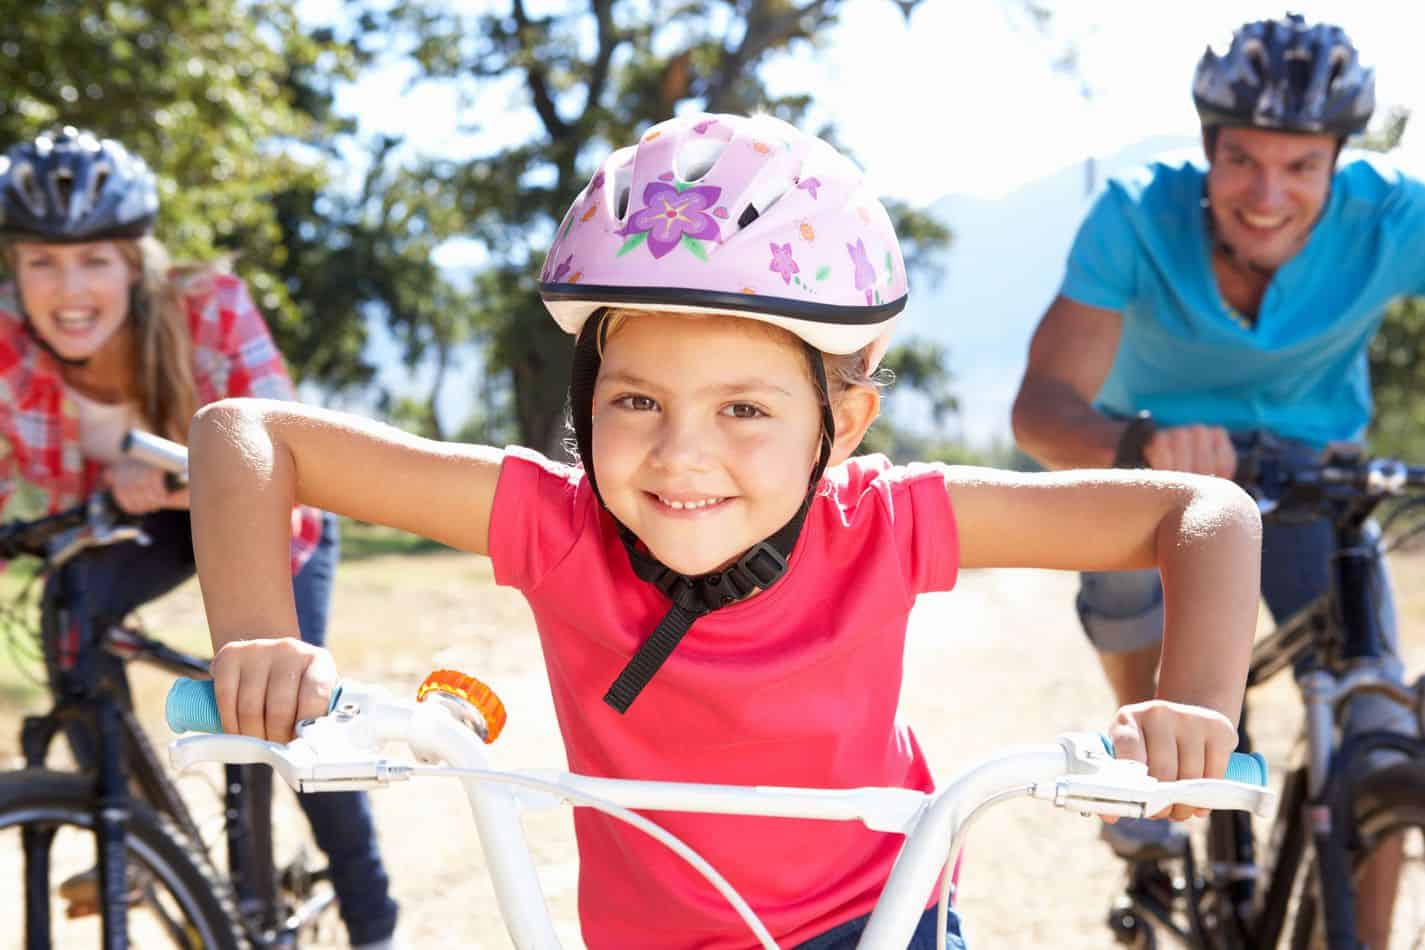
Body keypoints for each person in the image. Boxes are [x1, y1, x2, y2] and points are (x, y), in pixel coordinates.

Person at [190, 112, 1261, 949]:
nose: (681, 454)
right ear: (585, 395)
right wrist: (257, 635)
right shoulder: (557, 523)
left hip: (875, 920)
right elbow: (246, 433)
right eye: (635, 400)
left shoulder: (883, 521)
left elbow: (1200, 511)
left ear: (839, 424)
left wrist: (1195, 706)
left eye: (744, 409)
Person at [1010, 13, 1419, 943]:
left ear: (1337, 161)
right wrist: (1140, 447)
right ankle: (1145, 762)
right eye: (1241, 160)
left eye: (1301, 166)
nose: (1267, 194)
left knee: (1373, 718)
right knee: (1125, 566)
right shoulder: (1134, 215)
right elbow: (1041, 408)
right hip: (1155, 463)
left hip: (1316, 472)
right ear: (1206, 148)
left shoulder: (1391, 216)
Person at [0, 127, 400, 948]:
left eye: (94, 261)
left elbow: (294, 457)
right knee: (72, 615)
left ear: (134, 262)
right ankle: (140, 836)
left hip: (272, 508)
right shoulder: (7, 343)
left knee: (292, 708)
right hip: (139, 526)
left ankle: (376, 925)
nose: (68, 289)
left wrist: (186, 479)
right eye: (43, 262)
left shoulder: (209, 308)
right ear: (16, 270)